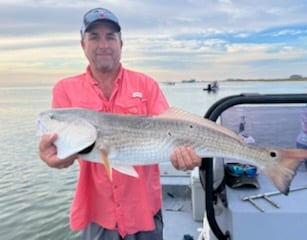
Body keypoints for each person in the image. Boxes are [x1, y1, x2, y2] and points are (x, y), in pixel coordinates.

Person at [38, 7, 202, 240]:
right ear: (83, 44)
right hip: (98, 213)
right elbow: (66, 155)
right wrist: (55, 159)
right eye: (94, 37)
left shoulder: (146, 85)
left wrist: (185, 158)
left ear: (121, 43)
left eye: (110, 37)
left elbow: (172, 129)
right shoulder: (65, 90)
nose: (103, 44)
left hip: (144, 211)